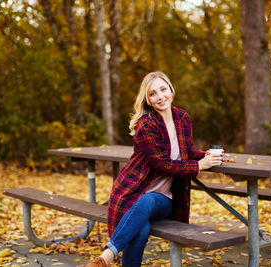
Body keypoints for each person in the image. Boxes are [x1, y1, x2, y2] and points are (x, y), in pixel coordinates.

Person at [85, 71, 223, 267]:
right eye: (153, 93)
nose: (160, 96)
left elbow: (187, 150)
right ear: (148, 100)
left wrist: (206, 156)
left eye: (163, 89)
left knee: (149, 201)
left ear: (171, 90)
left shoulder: (182, 118)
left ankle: (107, 255)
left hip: (164, 199)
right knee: (140, 229)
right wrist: (199, 166)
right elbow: (162, 165)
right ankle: (108, 257)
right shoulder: (147, 125)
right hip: (131, 193)